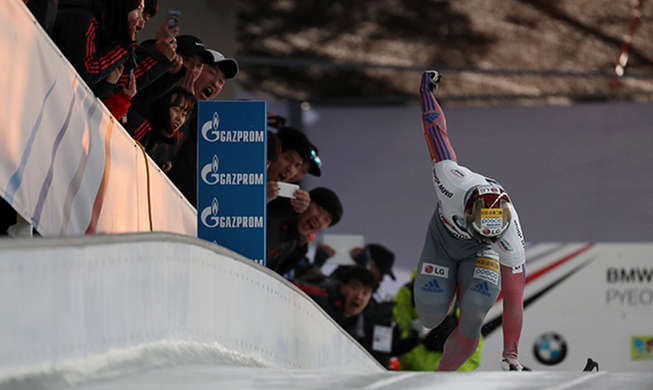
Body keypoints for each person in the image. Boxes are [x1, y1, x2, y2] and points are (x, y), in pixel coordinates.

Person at [413, 71, 526, 371]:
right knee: (429, 317)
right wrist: (427, 91)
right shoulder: (450, 180)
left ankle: (440, 380)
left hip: (482, 255)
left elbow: (515, 298)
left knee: (475, 312)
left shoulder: (508, 233)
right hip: (442, 242)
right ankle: (450, 294)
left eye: (490, 235)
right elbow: (436, 130)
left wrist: (510, 354)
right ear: (466, 212)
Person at [165, 49, 239, 206]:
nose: (215, 83)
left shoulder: (207, 126)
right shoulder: (163, 96)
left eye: (221, 81)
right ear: (195, 70)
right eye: (212, 73)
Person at [394, 269, 484, 371]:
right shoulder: (410, 293)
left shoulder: (466, 297)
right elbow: (401, 345)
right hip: (415, 378)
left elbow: (472, 359)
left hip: (444, 380)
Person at [51, 0, 146, 89]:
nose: (141, 23)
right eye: (138, 9)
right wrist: (124, 47)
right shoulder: (85, 19)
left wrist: (106, 86)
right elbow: (86, 73)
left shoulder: (102, 26)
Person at [267, 187, 342, 276]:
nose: (319, 219)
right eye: (319, 209)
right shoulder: (274, 215)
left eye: (326, 220)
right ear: (305, 202)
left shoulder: (298, 248)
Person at [293, 266, 377, 341]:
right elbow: (286, 285)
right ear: (342, 286)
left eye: (365, 293)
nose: (359, 296)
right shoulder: (317, 295)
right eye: (354, 288)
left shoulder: (356, 328)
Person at [122, 86, 194, 171]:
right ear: (162, 107)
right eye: (176, 110)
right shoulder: (140, 125)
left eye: (184, 115)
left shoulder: (161, 144)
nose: (180, 119)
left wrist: (156, 171)